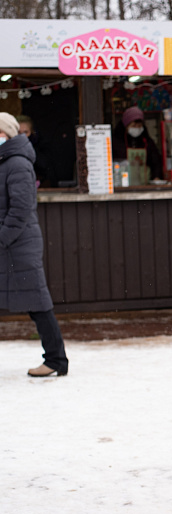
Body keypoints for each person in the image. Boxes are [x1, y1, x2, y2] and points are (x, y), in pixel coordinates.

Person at [0, 112, 69, 377]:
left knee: (37, 303)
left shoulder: (16, 162)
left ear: (7, 133)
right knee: (35, 302)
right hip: (11, 242)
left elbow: (20, 210)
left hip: (18, 245)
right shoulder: (6, 160)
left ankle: (55, 360)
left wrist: (2, 238)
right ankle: (55, 358)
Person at [111, 105, 163, 184]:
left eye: (139, 126)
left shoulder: (147, 142)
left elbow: (156, 162)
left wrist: (156, 177)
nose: (137, 128)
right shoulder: (116, 141)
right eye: (134, 126)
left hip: (145, 184)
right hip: (122, 184)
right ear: (126, 125)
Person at [15, 115, 53, 188]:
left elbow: (44, 166)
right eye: (18, 132)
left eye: (25, 132)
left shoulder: (41, 146)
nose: (22, 136)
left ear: (32, 132)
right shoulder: (8, 148)